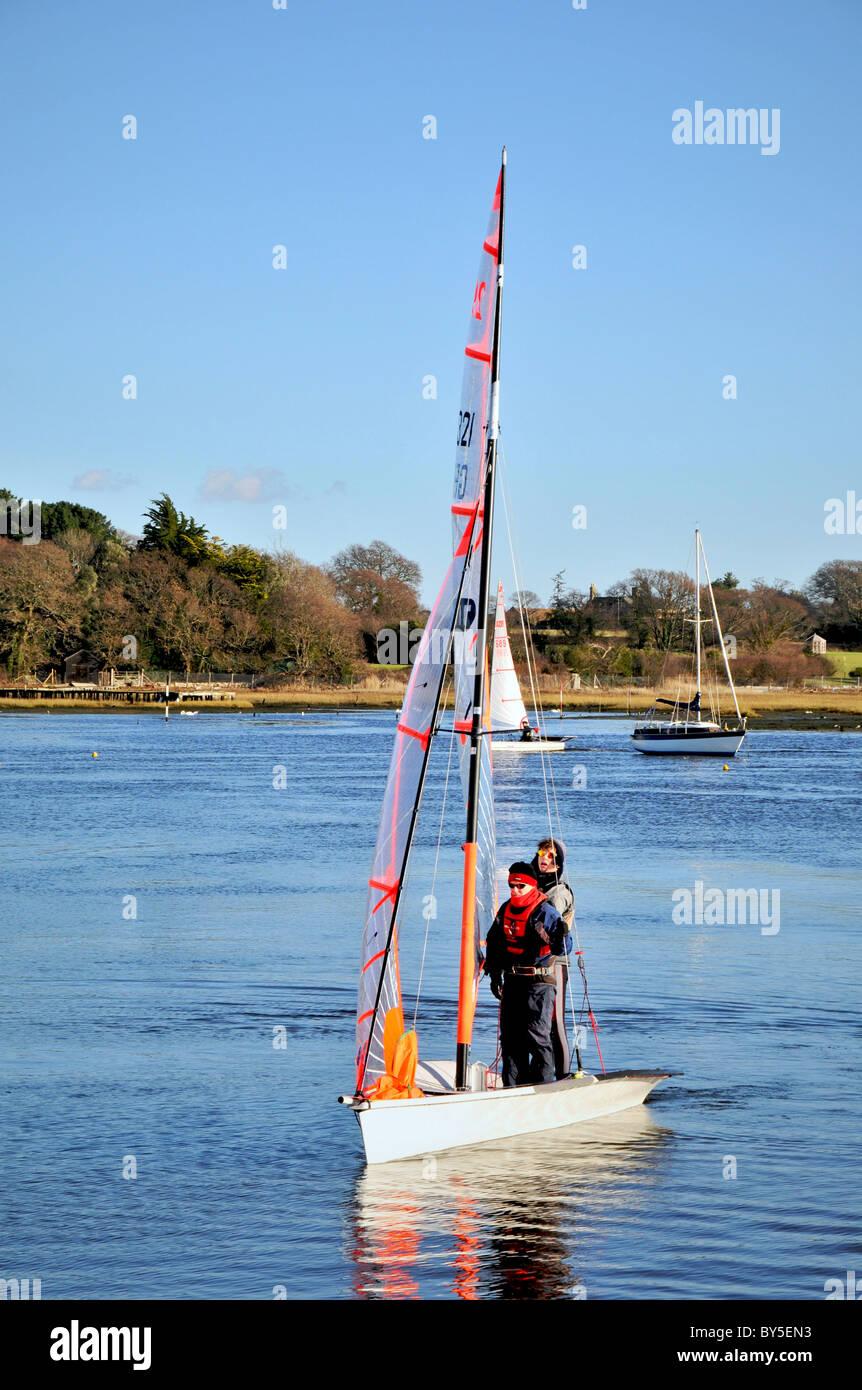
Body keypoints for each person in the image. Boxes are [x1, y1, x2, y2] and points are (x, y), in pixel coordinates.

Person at [484, 862, 571, 1088]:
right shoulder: (506, 909)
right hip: (513, 982)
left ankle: (543, 1088)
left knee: (537, 1037)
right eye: (511, 885)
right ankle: (512, 1088)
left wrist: (560, 936)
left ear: (531, 886)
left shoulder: (546, 911)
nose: (514, 890)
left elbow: (563, 948)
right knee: (511, 1040)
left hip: (540, 983)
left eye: (520, 886)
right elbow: (494, 942)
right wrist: (494, 974)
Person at [529, 838, 575, 1079]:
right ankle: (537, 1074)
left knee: (555, 1023)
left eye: (551, 857)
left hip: (555, 964)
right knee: (535, 1023)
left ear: (559, 865)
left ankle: (564, 1074)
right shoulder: (531, 887)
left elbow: (549, 928)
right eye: (542, 853)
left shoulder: (559, 892)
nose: (545, 859)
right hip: (534, 965)